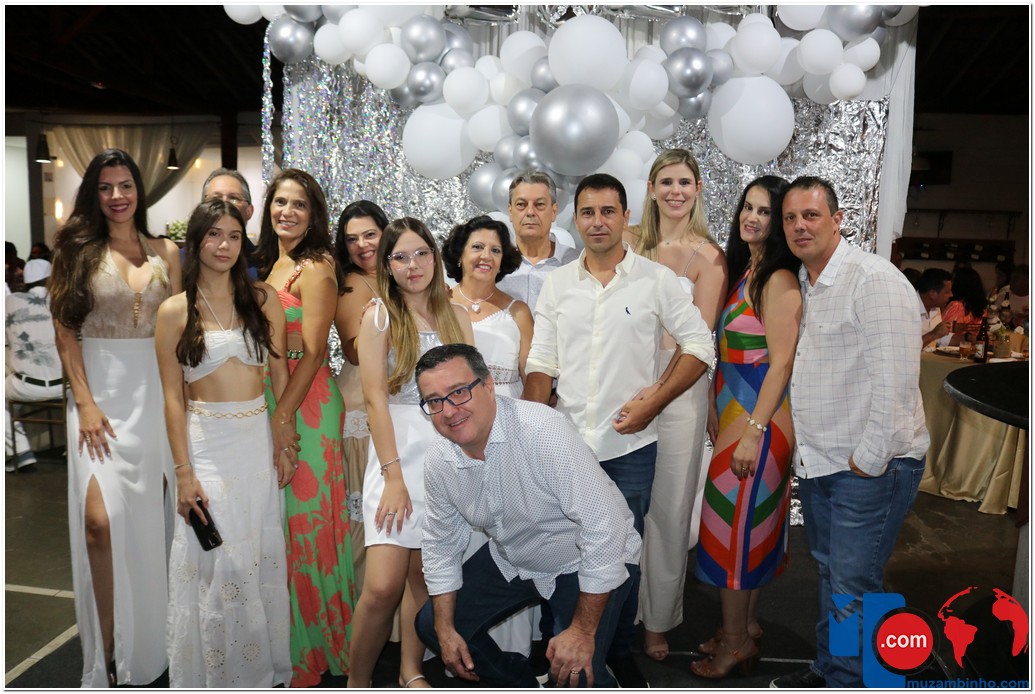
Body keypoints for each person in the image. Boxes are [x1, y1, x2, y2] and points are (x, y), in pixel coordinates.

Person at [523, 173, 714, 687]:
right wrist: (529, 432)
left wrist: (655, 400)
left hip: (629, 447)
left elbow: (701, 345)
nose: (598, 222)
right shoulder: (559, 284)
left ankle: (612, 653)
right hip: (565, 445)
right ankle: (570, 651)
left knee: (624, 556)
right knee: (565, 551)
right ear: (576, 219)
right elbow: (542, 361)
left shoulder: (656, 280)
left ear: (626, 217)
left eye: (608, 211)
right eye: (588, 212)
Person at [771, 176, 929, 689]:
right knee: (835, 577)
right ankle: (835, 668)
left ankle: (857, 681)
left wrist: (870, 458)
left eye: (811, 215)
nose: (799, 226)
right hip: (824, 461)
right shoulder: (806, 280)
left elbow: (897, 381)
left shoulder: (873, 280)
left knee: (854, 585)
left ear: (838, 220)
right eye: (790, 218)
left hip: (868, 467)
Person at [414, 343, 641, 688]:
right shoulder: (439, 459)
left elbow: (604, 529)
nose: (448, 410)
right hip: (514, 556)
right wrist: (445, 630)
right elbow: (440, 545)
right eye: (434, 401)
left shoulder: (542, 430)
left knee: (574, 674)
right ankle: (522, 684)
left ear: (489, 385)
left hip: (584, 557)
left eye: (459, 392)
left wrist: (582, 632)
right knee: (433, 626)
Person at [50, 147, 182, 687]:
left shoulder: (165, 251)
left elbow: (182, 330)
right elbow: (65, 333)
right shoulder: (75, 250)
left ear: (138, 189)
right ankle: (106, 654)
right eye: (105, 187)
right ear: (93, 194)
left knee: (154, 528)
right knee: (99, 524)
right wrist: (84, 402)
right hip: (98, 400)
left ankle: (152, 647)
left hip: (156, 396)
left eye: (125, 185)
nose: (117, 196)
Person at [156, 199, 297, 687]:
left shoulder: (262, 299)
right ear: (196, 241)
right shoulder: (174, 310)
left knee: (255, 559)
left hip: (256, 443)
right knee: (219, 563)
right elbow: (172, 398)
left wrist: (284, 440)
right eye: (214, 234)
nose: (224, 245)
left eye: (234, 236)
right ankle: (216, 676)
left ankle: (256, 673)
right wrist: (183, 472)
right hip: (207, 448)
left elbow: (280, 376)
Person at [348, 217, 473, 688]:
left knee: (424, 576)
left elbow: (468, 394)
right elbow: (375, 400)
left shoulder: (457, 316)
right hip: (395, 458)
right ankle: (357, 683)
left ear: (435, 258)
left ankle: (409, 671)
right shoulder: (378, 317)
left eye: (421, 253)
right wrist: (394, 476)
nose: (412, 265)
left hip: (445, 455)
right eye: (400, 257)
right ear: (387, 265)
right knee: (382, 586)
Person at [691, 176, 801, 679]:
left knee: (729, 536)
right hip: (741, 416)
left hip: (760, 423)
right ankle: (746, 628)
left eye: (765, 211)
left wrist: (753, 432)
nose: (752, 218)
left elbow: (781, 365)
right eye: (748, 208)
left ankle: (734, 643)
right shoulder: (748, 272)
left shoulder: (778, 279)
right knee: (748, 532)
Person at [625, 148, 728, 661]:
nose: (675, 191)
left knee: (669, 511)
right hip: (623, 382)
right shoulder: (626, 243)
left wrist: (660, 391)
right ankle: (614, 610)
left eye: (685, 182)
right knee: (617, 508)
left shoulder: (710, 257)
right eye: (666, 181)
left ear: (698, 188)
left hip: (681, 390)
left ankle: (658, 621)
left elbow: (699, 341)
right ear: (650, 188)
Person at [254, 168, 355, 687]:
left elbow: (314, 352)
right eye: (280, 202)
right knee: (283, 530)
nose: (287, 212)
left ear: (313, 214)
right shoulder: (270, 265)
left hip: (307, 404)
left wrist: (283, 415)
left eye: (298, 204)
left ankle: (318, 651)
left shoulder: (316, 267)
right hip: (272, 400)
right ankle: (289, 643)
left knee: (309, 528)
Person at [442, 214, 537, 656]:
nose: (486, 256)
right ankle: (450, 636)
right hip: (448, 427)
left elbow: (533, 376)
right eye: (478, 247)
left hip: (504, 427)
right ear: (460, 253)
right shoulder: (438, 302)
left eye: (496, 250)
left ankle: (507, 649)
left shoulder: (518, 311)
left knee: (502, 526)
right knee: (455, 527)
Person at [332, 199, 390, 590]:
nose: (362, 245)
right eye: (352, 239)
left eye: (370, 234)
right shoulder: (351, 284)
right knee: (365, 522)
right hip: (360, 410)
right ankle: (359, 614)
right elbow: (354, 352)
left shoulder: (401, 272)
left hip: (394, 406)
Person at [5, 258, 63, 472]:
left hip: (26, 387)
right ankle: (71, 448)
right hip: (66, 387)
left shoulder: (10, 302)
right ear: (50, 279)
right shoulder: (63, 301)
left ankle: (21, 452)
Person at [496, 170, 579, 311]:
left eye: (539, 204)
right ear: (510, 212)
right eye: (521, 204)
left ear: (554, 212)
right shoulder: (494, 263)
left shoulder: (578, 264)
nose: (530, 212)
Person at [200, 168, 260, 279]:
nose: (224, 204)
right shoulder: (180, 262)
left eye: (233, 198)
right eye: (216, 198)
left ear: (249, 211)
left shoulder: (263, 266)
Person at [916, 268, 954, 349]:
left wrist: (967, 338)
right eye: (947, 292)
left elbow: (940, 338)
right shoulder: (910, 308)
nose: (951, 295)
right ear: (932, 293)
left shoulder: (935, 307)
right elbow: (909, 346)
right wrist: (934, 334)